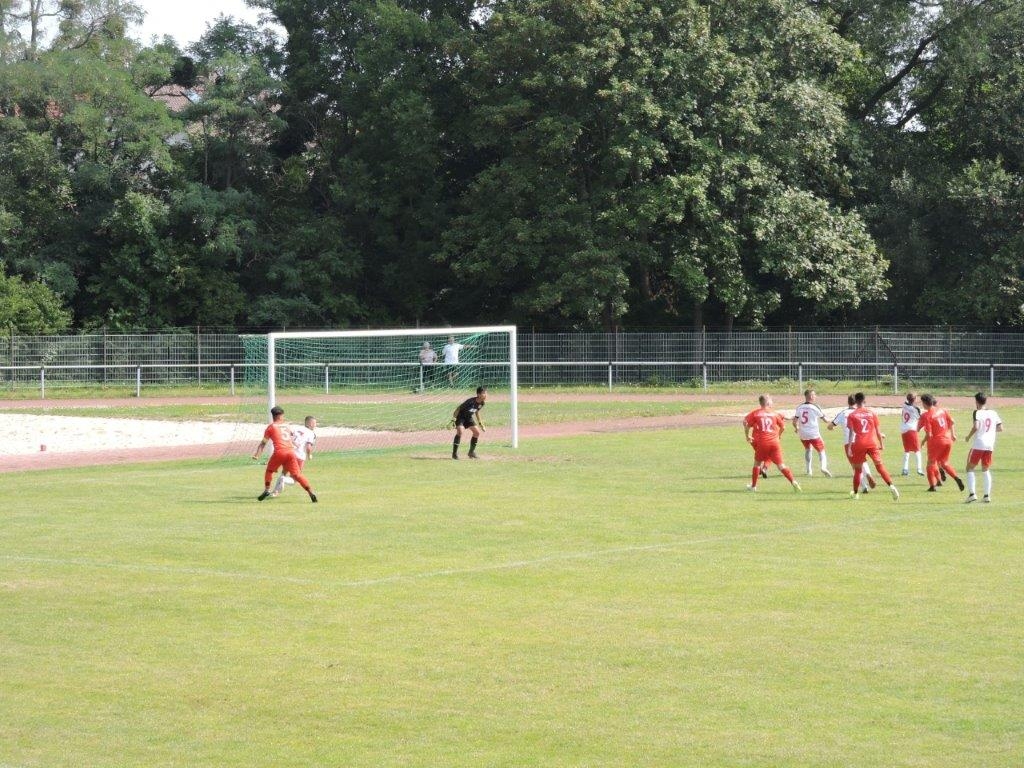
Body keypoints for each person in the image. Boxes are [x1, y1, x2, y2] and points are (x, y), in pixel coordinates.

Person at [253, 406, 318, 503]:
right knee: (297, 475)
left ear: (273, 416)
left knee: (269, 471)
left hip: (279, 452)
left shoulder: (271, 427)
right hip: (291, 453)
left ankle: (267, 490)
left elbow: (263, 443)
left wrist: (257, 455)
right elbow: (293, 436)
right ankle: (310, 492)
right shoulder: (287, 426)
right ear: (281, 416)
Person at [845, 392, 900, 501]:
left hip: (859, 443)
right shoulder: (872, 413)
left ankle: (855, 493)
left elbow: (851, 433)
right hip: (872, 443)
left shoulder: (852, 415)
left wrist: (850, 447)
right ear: (865, 401)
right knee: (880, 466)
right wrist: (881, 444)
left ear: (855, 402)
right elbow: (878, 432)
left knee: (858, 470)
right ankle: (891, 486)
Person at [743, 394, 801, 492]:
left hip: (762, 442)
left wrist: (747, 436)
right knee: (781, 465)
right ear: (768, 403)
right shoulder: (774, 413)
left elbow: (747, 425)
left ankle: (753, 487)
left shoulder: (756, 413)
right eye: (771, 401)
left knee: (757, 464)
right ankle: (793, 482)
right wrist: (779, 435)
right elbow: (783, 427)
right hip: (775, 442)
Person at [829, 394, 876, 494]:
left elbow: (830, 425)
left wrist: (832, 427)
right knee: (863, 462)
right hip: (861, 439)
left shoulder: (843, 413)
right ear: (857, 402)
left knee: (855, 467)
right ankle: (868, 473)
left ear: (848, 402)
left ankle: (864, 487)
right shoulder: (862, 412)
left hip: (848, 442)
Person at [917, 394, 964, 492]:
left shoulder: (927, 415)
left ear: (925, 403)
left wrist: (924, 441)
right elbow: (951, 422)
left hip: (936, 442)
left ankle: (932, 486)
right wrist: (953, 434)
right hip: (947, 440)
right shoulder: (942, 410)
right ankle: (956, 478)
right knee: (944, 463)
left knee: (931, 463)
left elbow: (929, 434)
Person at [963, 392, 1003, 503]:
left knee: (969, 468)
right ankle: (986, 496)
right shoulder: (993, 413)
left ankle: (972, 494)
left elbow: (976, 426)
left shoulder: (977, 412)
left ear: (976, 401)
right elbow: (1000, 428)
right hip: (990, 445)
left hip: (979, 444)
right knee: (985, 469)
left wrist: (968, 437)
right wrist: (989, 430)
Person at [270, 415, 317, 497]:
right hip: (299, 456)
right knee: (295, 479)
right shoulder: (311, 433)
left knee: (284, 472)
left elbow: (287, 435)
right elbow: (309, 448)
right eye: (314, 423)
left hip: (289, 453)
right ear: (309, 423)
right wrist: (309, 455)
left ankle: (275, 492)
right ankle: (283, 480)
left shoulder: (297, 428)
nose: (315, 425)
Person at [792, 388, 832, 477]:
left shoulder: (800, 407)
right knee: (821, 451)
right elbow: (825, 420)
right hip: (813, 433)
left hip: (803, 434)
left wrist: (797, 428)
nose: (815, 396)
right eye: (814, 395)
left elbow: (794, 422)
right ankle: (823, 467)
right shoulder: (815, 407)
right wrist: (832, 421)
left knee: (808, 449)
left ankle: (809, 471)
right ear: (810, 396)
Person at [451, 386, 487, 459]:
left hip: (468, 418)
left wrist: (480, 424)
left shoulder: (482, 403)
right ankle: (454, 454)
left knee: (477, 433)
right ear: (478, 394)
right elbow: (458, 408)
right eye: (484, 393)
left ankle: (471, 452)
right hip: (460, 417)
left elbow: (477, 411)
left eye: (486, 393)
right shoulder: (470, 401)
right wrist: (453, 419)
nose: (486, 394)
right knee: (460, 432)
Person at [899, 392, 924, 477]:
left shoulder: (904, 405)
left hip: (903, 429)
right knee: (917, 450)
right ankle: (919, 468)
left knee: (907, 450)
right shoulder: (915, 409)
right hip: (912, 429)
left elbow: (910, 403)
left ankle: (905, 469)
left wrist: (916, 401)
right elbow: (919, 417)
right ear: (915, 399)